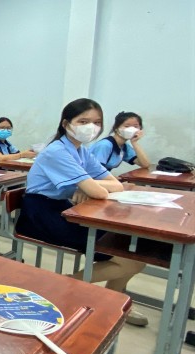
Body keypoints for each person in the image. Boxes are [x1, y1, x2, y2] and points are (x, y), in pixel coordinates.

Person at [15, 98, 147, 326]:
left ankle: (112, 302)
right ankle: (64, 286)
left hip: (66, 209)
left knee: (133, 251)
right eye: (83, 121)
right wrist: (88, 186)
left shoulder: (81, 151)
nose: (91, 127)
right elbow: (99, 191)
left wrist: (88, 186)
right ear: (66, 123)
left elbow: (114, 184)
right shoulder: (55, 151)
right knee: (130, 260)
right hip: (40, 215)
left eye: (96, 122)